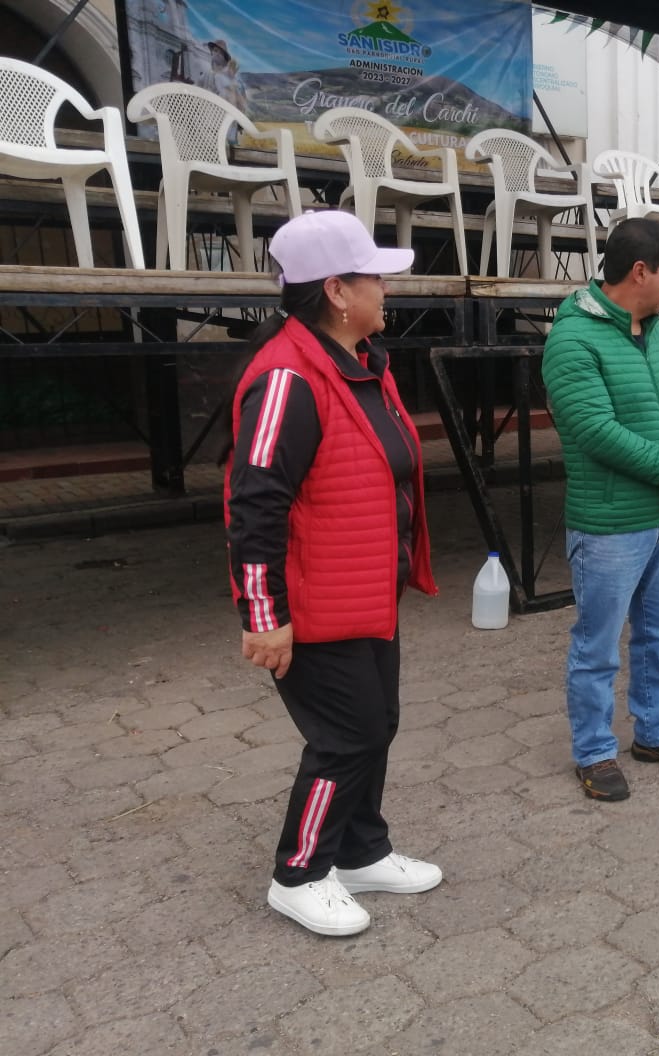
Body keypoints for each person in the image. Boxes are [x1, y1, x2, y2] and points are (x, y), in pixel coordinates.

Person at [224, 210, 439, 937]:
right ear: (337, 291)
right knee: (346, 739)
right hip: (315, 605)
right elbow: (254, 504)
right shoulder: (288, 377)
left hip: (366, 594)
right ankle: (299, 872)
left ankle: (361, 851)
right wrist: (264, 617)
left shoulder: (361, 364)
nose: (387, 289)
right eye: (374, 277)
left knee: (378, 725)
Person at [541, 218, 659, 802]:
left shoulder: (655, 330)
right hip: (610, 527)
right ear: (640, 272)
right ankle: (594, 751)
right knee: (597, 648)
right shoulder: (573, 338)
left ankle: (657, 733)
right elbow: (594, 430)